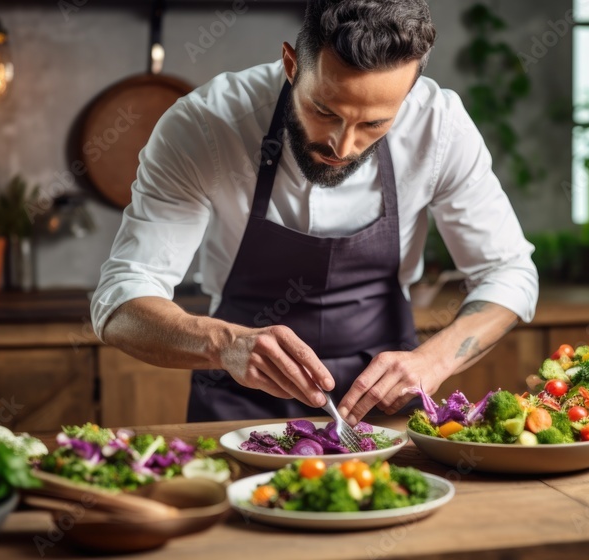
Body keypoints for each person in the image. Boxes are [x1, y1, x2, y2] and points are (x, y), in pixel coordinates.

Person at [91, 0, 538, 424]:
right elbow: (120, 301)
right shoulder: (205, 125)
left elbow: (510, 272)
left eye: (374, 123)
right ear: (291, 64)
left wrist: (433, 360)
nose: (342, 147)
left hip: (385, 406)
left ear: (411, 92)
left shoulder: (439, 126)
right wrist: (223, 344)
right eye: (324, 110)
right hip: (237, 401)